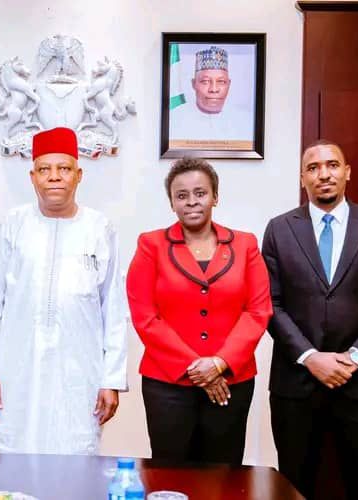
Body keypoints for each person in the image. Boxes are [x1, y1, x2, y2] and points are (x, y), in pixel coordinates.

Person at [262, 140, 358, 500]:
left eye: (331, 165)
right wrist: (311, 357)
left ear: (346, 173)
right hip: (296, 386)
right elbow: (269, 303)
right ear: (302, 178)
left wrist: (354, 358)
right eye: (313, 168)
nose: (323, 174)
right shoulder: (279, 229)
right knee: (294, 487)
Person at [0, 127, 127, 454]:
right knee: (16, 451)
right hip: (17, 369)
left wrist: (111, 379)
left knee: (76, 452)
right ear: (32, 177)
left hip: (80, 370)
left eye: (64, 169)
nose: (54, 177)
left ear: (79, 175)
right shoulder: (12, 225)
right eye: (45, 169)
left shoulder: (100, 228)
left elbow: (113, 309)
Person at [126, 157, 271, 465]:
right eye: (181, 195)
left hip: (231, 382)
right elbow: (145, 316)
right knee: (170, 473)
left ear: (215, 197)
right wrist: (199, 369)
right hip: (167, 386)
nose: (192, 202)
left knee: (224, 475)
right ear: (171, 203)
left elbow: (258, 311)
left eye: (200, 193)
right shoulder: (151, 245)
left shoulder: (245, 245)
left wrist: (220, 363)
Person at [168, 45, 253, 143]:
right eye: (205, 81)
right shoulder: (174, 118)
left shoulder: (246, 120)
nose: (213, 89)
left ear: (229, 84)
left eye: (221, 81)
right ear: (193, 84)